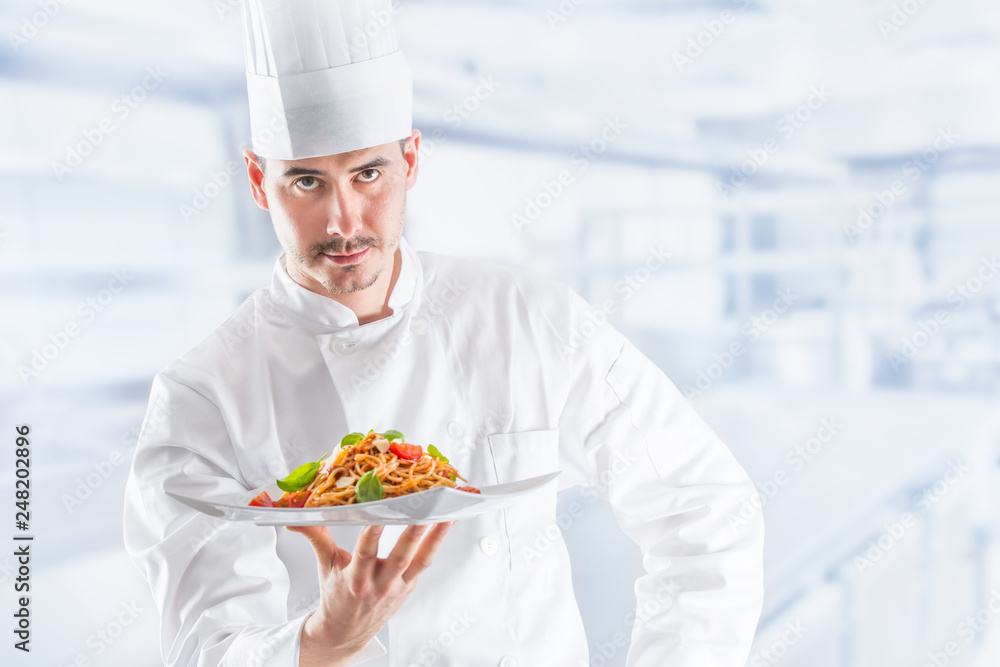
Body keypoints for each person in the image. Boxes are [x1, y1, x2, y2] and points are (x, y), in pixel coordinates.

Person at [123, 1, 764, 666]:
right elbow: (205, 649)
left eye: (368, 173)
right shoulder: (200, 396)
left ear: (411, 161)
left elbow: (707, 507)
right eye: (307, 182)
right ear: (260, 181)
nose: (344, 221)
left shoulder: (528, 320)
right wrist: (319, 642)